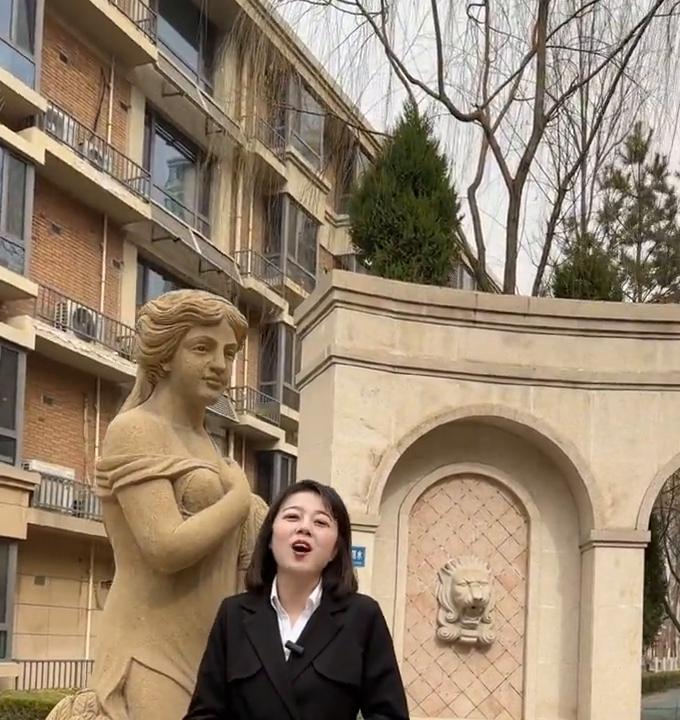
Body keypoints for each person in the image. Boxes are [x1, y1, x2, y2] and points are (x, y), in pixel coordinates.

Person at [47, 289, 265, 720]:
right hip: (150, 648)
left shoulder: (208, 445)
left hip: (209, 649)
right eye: (202, 348)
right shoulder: (135, 429)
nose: (220, 364)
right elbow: (164, 547)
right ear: (164, 356)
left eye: (228, 353)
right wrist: (239, 499)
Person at [184, 479, 410, 720]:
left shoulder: (362, 616)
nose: (304, 528)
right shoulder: (234, 614)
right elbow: (204, 713)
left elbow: (390, 715)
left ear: (335, 549)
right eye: (292, 517)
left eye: (320, 522)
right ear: (270, 538)